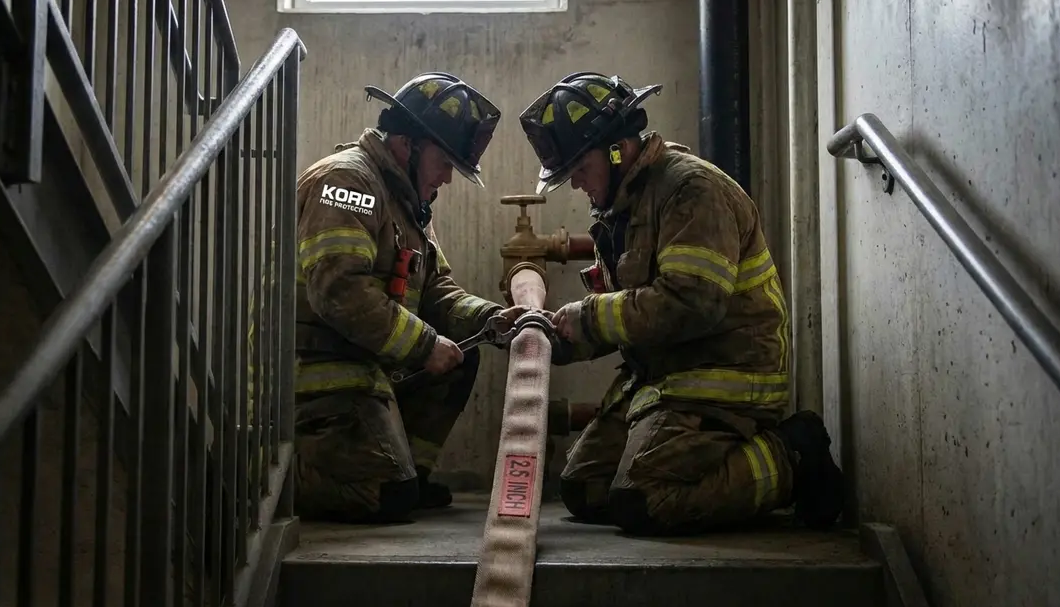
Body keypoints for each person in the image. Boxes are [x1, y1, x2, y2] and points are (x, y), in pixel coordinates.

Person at [517, 71, 845, 535]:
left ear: (618, 150)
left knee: (644, 501)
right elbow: (632, 315)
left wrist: (587, 317)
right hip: (665, 377)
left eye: (580, 170)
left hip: (723, 376)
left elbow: (691, 303)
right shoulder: (623, 210)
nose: (575, 185)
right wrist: (550, 335)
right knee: (585, 489)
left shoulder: (691, 190)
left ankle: (790, 455)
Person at [293, 73, 527, 523]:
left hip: (364, 369)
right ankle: (260, 473)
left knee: (461, 355)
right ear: (406, 145)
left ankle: (408, 475)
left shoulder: (408, 202)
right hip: (313, 377)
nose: (448, 177)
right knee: (383, 496)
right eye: (443, 162)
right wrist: (423, 345)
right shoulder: (347, 182)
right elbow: (340, 290)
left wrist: (490, 318)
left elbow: (437, 291)